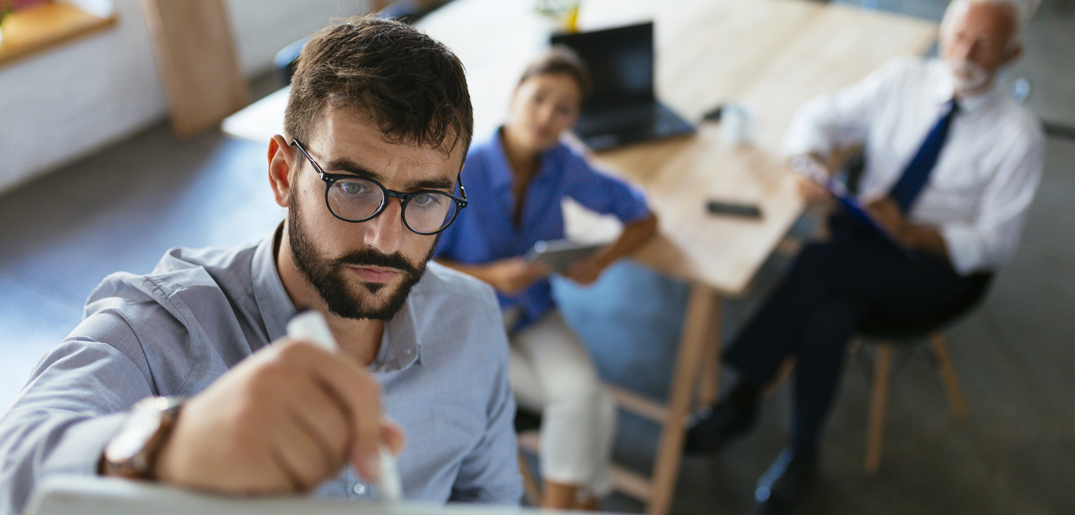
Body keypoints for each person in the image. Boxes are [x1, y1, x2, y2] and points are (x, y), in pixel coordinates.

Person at [0, 16, 523, 515]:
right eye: (352, 187)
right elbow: (13, 468)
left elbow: (488, 497)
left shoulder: (470, 318)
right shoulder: (162, 330)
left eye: (426, 198)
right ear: (281, 174)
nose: (384, 239)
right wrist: (169, 446)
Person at [683, 1, 1044, 513]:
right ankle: (801, 455)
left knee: (818, 261)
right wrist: (807, 161)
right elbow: (820, 115)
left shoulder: (1018, 137)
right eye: (958, 35)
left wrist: (913, 233)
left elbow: (996, 244)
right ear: (942, 31)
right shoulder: (904, 80)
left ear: (1014, 53)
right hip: (865, 244)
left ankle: (741, 400)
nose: (964, 52)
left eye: (983, 44)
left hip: (937, 270)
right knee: (831, 312)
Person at [433, 47, 658, 510]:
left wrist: (601, 262)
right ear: (515, 95)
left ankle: (569, 506)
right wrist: (488, 275)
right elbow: (414, 267)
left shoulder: (563, 164)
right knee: (590, 404)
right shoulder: (459, 171)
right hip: (465, 323)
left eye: (564, 109)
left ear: (575, 119)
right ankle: (585, 502)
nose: (547, 116)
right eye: (539, 98)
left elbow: (642, 215)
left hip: (534, 311)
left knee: (585, 400)